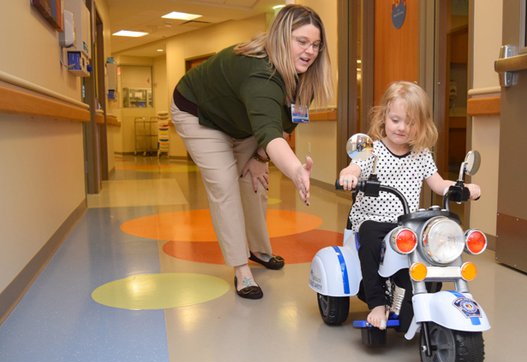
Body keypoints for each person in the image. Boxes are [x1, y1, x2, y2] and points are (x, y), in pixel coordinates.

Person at [170, 5, 333, 300]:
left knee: (255, 180)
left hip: (242, 120)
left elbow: (285, 121)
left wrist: (260, 158)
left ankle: (258, 249)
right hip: (198, 112)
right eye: (302, 41)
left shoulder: (305, 76)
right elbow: (271, 133)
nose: (310, 51)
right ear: (283, 38)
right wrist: (296, 170)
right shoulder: (260, 73)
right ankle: (240, 268)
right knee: (224, 183)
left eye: (316, 44)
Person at [338, 81, 481, 329]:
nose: (402, 127)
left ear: (422, 125)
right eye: (396, 120)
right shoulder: (371, 150)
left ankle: (416, 297)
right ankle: (377, 303)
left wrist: (463, 188)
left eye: (411, 122)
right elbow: (353, 167)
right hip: (373, 221)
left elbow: (438, 184)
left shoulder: (421, 154)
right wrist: (349, 175)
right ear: (384, 118)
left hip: (406, 224)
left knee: (430, 245)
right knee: (371, 236)